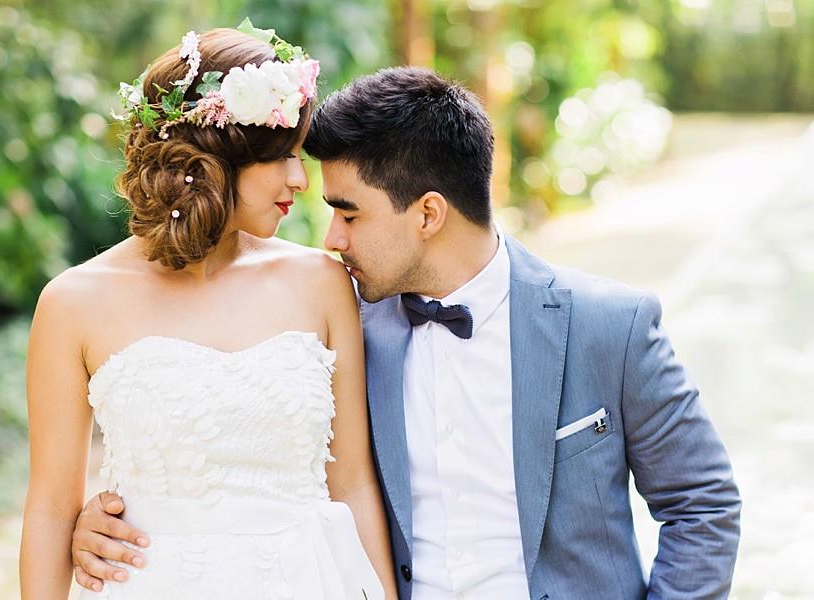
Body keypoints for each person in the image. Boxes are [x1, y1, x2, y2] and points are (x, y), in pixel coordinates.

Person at [71, 66, 742, 599]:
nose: (330, 240)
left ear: (428, 214)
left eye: (349, 215)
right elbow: (248, 459)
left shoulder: (610, 326)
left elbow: (704, 505)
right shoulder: (338, 337)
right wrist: (103, 525)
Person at [19, 26, 395, 600]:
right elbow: (49, 510)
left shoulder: (322, 282)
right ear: (216, 159)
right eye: (282, 157)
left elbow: (354, 487)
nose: (300, 179)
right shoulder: (73, 303)